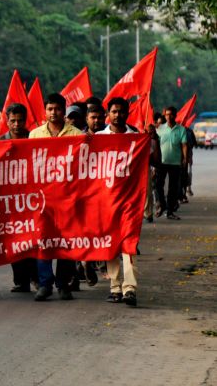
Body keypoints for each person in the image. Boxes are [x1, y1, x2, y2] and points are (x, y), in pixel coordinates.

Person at [29, 93, 83, 301]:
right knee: (43, 241)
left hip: (68, 198)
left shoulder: (76, 134)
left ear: (64, 110)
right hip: (41, 198)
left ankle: (63, 283)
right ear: (45, 111)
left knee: (65, 242)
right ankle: (45, 284)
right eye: (50, 109)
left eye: (58, 109)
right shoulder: (34, 135)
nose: (54, 113)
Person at [96, 97, 139, 306]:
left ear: (127, 113)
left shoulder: (136, 137)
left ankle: (129, 288)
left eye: (121, 111)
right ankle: (115, 287)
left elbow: (152, 159)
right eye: (114, 111)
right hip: (106, 200)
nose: (118, 115)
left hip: (130, 200)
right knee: (111, 244)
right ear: (108, 114)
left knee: (128, 244)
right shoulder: (97, 138)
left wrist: (152, 138)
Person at [0, 103, 38, 292]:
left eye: (20, 120)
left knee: (33, 238)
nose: (16, 124)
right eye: (12, 121)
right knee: (13, 240)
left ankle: (35, 278)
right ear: (7, 121)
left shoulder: (33, 139)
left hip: (31, 197)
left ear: (25, 120)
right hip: (9, 199)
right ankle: (20, 281)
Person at [155, 106, 188, 220]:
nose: (168, 117)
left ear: (175, 115)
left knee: (173, 188)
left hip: (175, 163)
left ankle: (170, 211)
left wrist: (185, 158)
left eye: (171, 114)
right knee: (158, 185)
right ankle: (162, 205)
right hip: (161, 162)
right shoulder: (159, 129)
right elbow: (155, 144)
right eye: (167, 115)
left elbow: (184, 145)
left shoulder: (181, 129)